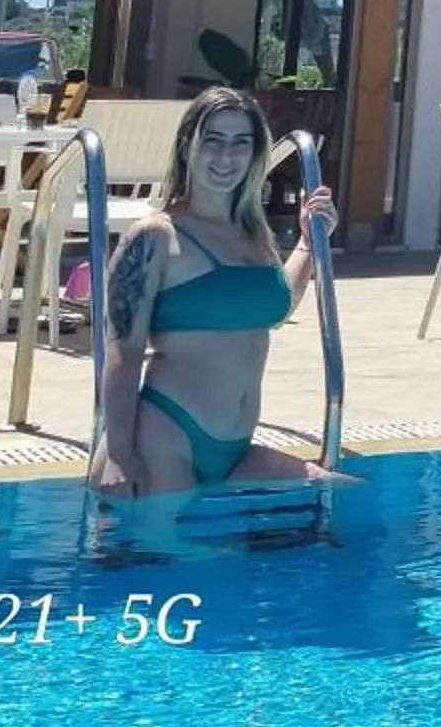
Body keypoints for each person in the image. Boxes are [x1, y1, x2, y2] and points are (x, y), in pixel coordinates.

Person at [89, 87, 338, 499]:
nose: (226, 157)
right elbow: (123, 351)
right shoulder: (155, 236)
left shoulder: (252, 233)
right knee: (187, 563)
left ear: (256, 154)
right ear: (188, 147)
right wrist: (119, 452)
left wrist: (310, 243)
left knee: (341, 501)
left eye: (241, 143)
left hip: (235, 452)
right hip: (164, 439)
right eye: (213, 141)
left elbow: (271, 309)